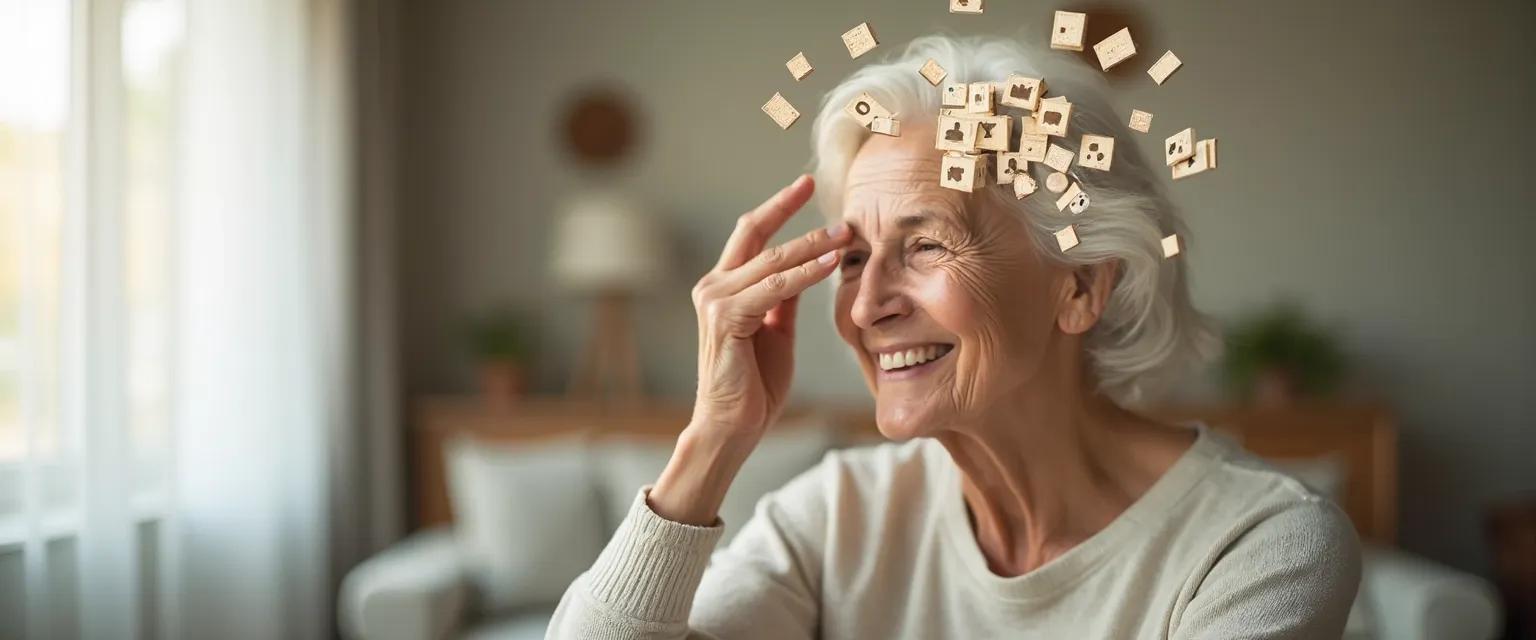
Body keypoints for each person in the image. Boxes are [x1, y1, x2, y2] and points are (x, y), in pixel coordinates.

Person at [547, 35, 1361, 639]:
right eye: (853, 256)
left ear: (1079, 285)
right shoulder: (835, 519)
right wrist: (712, 441)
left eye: (927, 244)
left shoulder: (1258, 544)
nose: (866, 307)